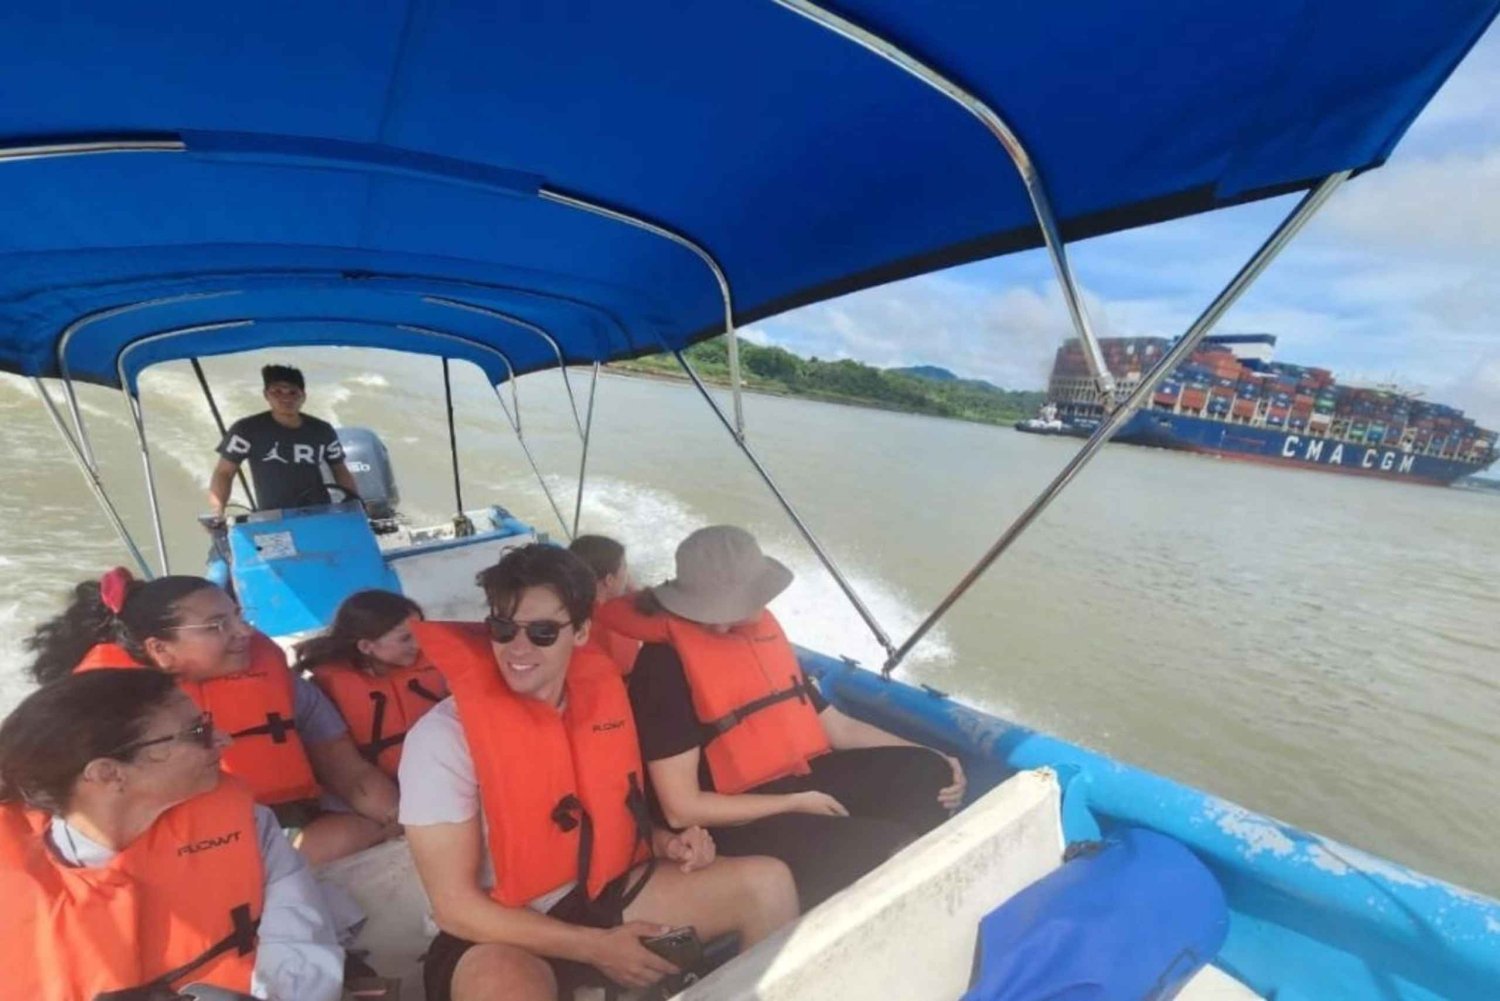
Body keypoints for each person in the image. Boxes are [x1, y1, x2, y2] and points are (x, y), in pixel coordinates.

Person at [400, 545, 799, 1001]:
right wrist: (597, 948)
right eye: (503, 628)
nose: (518, 648)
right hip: (498, 931)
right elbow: (454, 908)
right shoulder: (442, 740)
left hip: (600, 896)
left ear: (583, 631)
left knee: (766, 886)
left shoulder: (605, 705)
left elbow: (612, 815)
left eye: (543, 632)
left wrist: (669, 843)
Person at [596, 525, 967, 909]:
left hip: (794, 780)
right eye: (712, 610)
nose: (721, 623)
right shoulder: (664, 669)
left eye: (731, 608)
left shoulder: (759, 636)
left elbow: (835, 726)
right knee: (887, 847)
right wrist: (792, 803)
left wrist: (930, 751)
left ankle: (913, 886)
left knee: (929, 774)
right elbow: (681, 807)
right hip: (729, 820)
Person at [0, 668, 344, 1000]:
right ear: (108, 774)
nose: (223, 739)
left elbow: (300, 942)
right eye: (198, 733)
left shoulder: (248, 824)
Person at [25, 569, 400, 865]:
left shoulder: (283, 687)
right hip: (172, 854)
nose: (244, 632)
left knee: (357, 832)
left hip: (282, 824)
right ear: (160, 649)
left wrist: (401, 818)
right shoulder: (103, 720)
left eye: (238, 616)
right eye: (217, 625)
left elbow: (353, 776)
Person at [296, 589, 448, 779]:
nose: (418, 644)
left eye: (420, 632)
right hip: (377, 786)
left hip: (447, 774)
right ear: (366, 646)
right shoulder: (326, 688)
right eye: (405, 638)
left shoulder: (444, 667)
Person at [208, 363, 360, 517]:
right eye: (277, 391)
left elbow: (339, 469)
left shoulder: (322, 430)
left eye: (293, 392)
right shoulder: (246, 430)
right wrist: (217, 511)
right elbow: (224, 473)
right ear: (266, 395)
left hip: (319, 513)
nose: (285, 397)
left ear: (303, 396)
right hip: (273, 516)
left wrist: (355, 504)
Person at [568, 534, 642, 674]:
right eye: (625, 567)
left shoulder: (562, 607)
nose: (628, 575)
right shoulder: (616, 626)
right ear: (609, 580)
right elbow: (629, 667)